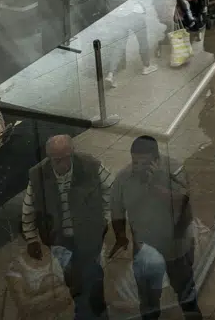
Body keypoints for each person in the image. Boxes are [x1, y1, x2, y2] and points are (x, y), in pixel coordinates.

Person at [110, 136, 202, 320]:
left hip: (175, 246)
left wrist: (156, 184)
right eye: (135, 162)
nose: (138, 167)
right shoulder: (123, 179)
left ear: (156, 160)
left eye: (144, 163)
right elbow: (117, 212)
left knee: (186, 295)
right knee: (148, 302)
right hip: (145, 248)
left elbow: (183, 204)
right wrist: (121, 237)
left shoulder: (174, 170)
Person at [21, 135, 112, 320]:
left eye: (62, 158)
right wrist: (31, 238)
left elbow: (112, 190)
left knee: (90, 277)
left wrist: (106, 219)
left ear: (72, 153)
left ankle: (90, 313)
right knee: (75, 279)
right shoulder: (38, 175)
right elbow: (28, 210)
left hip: (89, 235)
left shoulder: (91, 165)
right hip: (59, 239)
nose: (58, 164)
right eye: (53, 159)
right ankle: (95, 312)